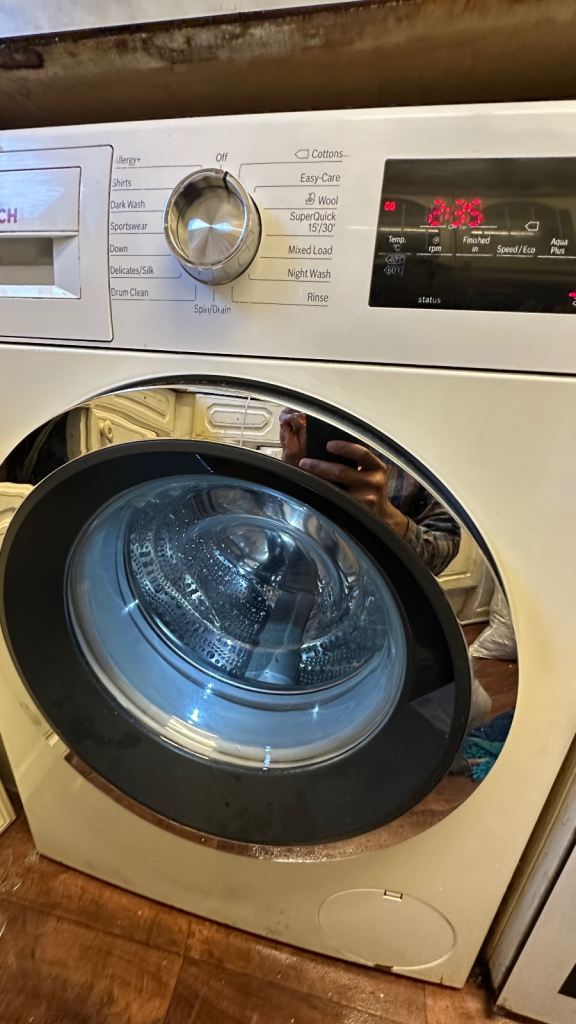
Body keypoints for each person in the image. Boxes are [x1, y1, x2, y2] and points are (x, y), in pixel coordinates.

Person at [279, 410, 461, 576]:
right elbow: (274, 552)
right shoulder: (303, 427)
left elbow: (445, 547)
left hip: (383, 590)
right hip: (306, 583)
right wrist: (288, 478)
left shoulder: (420, 448)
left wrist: (387, 516)